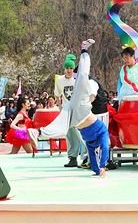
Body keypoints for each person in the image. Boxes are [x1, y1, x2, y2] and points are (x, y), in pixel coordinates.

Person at [41, 39, 110, 177]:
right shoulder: (103, 133)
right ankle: (84, 50)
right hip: (80, 109)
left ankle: (38, 132)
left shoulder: (90, 142)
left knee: (60, 127)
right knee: (83, 76)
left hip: (74, 114)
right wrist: (102, 166)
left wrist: (98, 170)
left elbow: (97, 153)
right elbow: (105, 147)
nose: (69, 71)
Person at [55, 53, 84, 168]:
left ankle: (87, 157)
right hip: (67, 111)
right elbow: (57, 94)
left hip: (78, 110)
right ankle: (72, 157)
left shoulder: (77, 79)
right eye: (67, 68)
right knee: (70, 135)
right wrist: (60, 107)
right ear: (64, 69)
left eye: (71, 68)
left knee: (81, 134)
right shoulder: (59, 80)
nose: (69, 70)